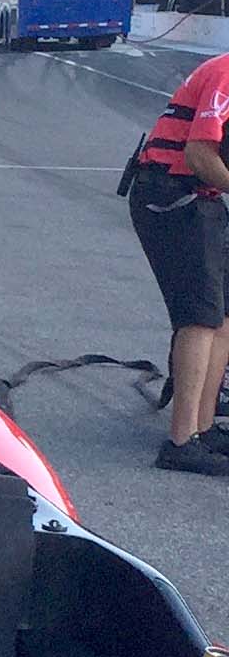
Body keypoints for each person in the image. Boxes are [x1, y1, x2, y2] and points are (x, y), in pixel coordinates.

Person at [128, 53, 229, 475]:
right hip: (170, 195)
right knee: (200, 316)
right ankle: (181, 441)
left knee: (223, 316)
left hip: (201, 197)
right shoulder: (226, 74)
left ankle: (204, 429)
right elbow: (199, 155)